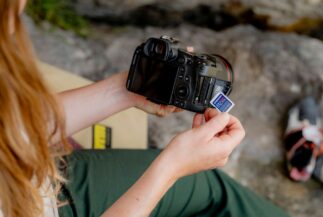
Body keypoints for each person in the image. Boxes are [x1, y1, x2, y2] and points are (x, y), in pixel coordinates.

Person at [0, 0, 289, 216]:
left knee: (206, 184)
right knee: (205, 185)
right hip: (36, 201)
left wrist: (128, 88)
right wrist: (170, 168)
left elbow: (10, 131)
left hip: (32, 181)